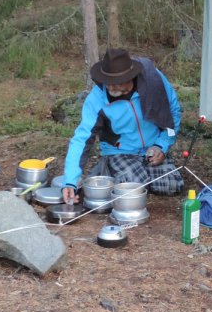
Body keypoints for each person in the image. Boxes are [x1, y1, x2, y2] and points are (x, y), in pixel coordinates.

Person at [60, 48, 184, 205]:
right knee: (134, 187)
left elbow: (173, 112)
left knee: (172, 185)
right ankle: (109, 168)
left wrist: (162, 145)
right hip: (120, 151)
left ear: (131, 77)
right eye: (108, 82)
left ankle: (131, 173)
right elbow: (82, 138)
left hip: (153, 147)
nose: (111, 88)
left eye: (117, 82)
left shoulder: (153, 80)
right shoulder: (97, 98)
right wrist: (70, 181)